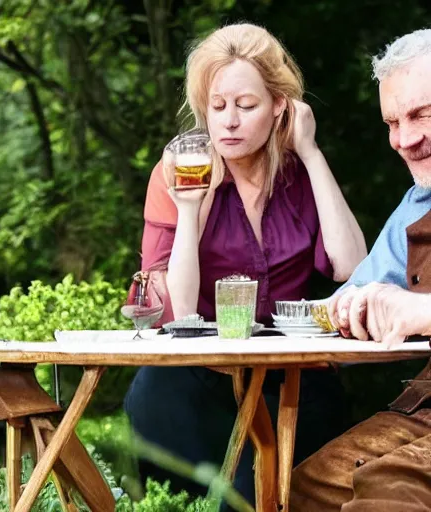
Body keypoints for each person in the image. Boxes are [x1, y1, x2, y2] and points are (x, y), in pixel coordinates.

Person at [124, 23, 366, 506]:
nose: (229, 122)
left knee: (271, 497)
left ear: (280, 105)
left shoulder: (299, 176)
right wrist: (191, 210)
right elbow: (177, 313)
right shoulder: (181, 171)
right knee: (164, 408)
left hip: (292, 379)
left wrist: (312, 152)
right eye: (217, 107)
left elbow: (351, 267)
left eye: (246, 105)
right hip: (198, 378)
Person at [290, 28, 431, 512]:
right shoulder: (416, 205)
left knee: (384, 494)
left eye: (421, 115)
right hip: (422, 410)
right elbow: (347, 300)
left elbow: (409, 309)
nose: (405, 139)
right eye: (393, 122)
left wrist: (420, 312)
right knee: (305, 487)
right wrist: (317, 317)